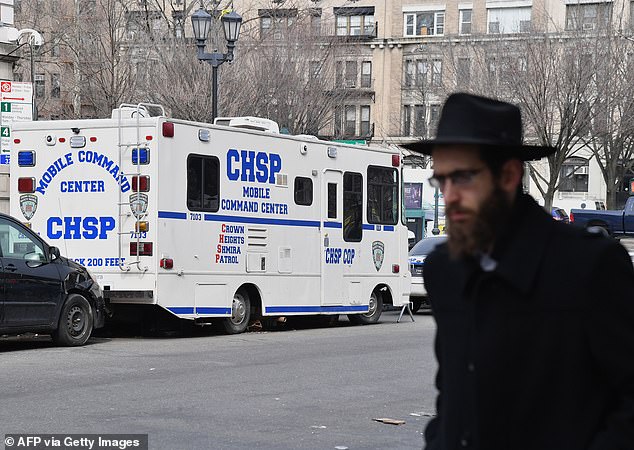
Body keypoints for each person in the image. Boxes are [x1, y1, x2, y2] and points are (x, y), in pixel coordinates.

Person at [404, 93, 634, 450]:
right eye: (442, 180)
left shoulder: (589, 265)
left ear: (509, 175)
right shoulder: (444, 270)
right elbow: (452, 392)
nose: (449, 195)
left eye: (462, 178)